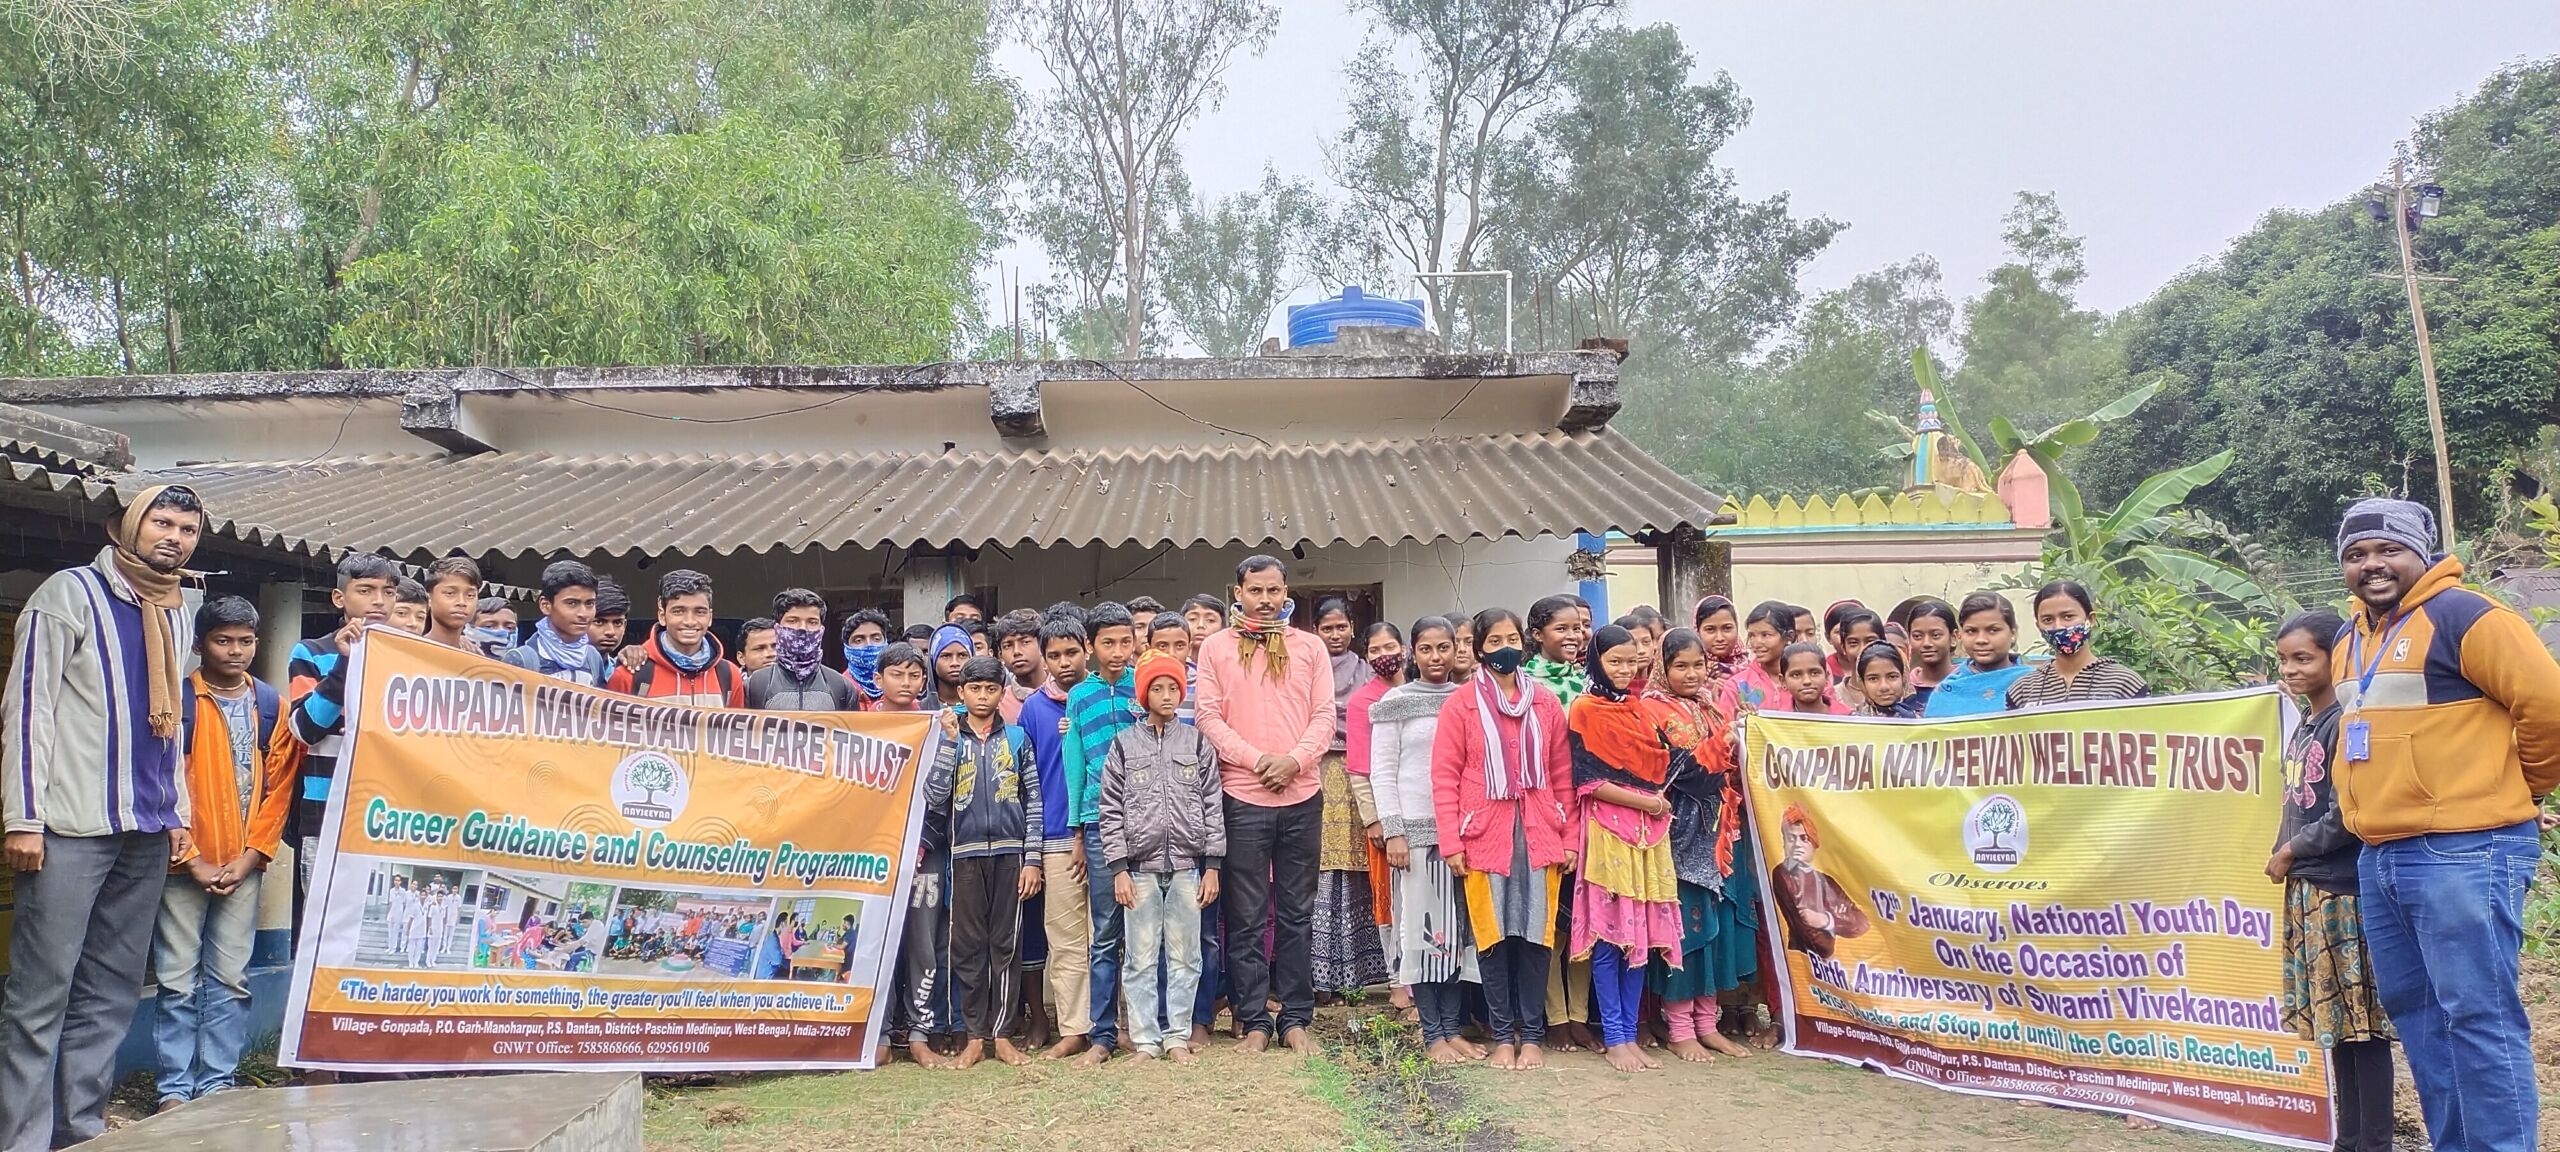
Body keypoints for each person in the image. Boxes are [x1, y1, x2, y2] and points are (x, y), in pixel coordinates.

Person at [2330, 498, 2558, 1152]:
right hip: (2383, 857)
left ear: (2421, 553)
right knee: (2423, 1021)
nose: (2372, 564)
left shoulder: (2467, 616)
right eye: (2356, 554)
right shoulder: (2352, 638)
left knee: (2479, 1017)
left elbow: (2549, 708)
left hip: (2464, 850)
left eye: (2387, 550)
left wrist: (2522, 787)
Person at [1, 486, 204, 1151]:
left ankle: (80, 1133)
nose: (173, 536)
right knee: (40, 997)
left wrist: (176, 809)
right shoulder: (68, 595)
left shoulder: (176, 609)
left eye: (187, 527)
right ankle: (23, 1140)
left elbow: (171, 724)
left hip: (145, 832)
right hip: (68, 827)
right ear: (125, 527)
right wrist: (23, 818)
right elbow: (29, 713)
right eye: (161, 522)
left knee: (112, 994)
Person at [152, 597, 299, 1112]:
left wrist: (254, 854)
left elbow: (280, 788)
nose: (235, 651)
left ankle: (215, 1083)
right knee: (175, 979)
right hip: (181, 865)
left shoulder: (270, 705)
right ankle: (174, 1087)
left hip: (243, 867)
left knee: (230, 978)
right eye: (223, 640)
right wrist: (192, 858)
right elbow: (160, 781)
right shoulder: (176, 701)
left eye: (245, 641)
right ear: (199, 644)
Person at [2266, 609, 2395, 1152]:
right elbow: (2297, 801)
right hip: (2311, 887)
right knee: (2335, 1028)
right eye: (2284, 660)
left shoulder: (2347, 720)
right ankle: (2350, 1140)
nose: (2292, 669)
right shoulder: (2306, 725)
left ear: (2333, 657)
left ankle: (2375, 1141)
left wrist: (2293, 849)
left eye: (2304, 658)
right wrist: (2284, 846)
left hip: (2344, 891)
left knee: (2362, 1029)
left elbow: (2349, 810)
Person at [1195, 556, 1334, 1055]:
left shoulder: (1310, 647)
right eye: (1256, 591)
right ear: (1238, 592)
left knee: (1298, 913)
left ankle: (1296, 1017)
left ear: (1285, 590)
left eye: (1275, 590)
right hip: (1243, 795)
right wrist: (1259, 761)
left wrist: (1294, 761)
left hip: (1302, 793)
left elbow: (1324, 715)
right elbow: (1208, 717)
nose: (1267, 600)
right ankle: (1253, 1019)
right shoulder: (1215, 648)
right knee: (1247, 915)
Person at [1431, 608, 1575, 1071]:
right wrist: (1451, 842)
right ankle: (1502, 1037)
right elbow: (1444, 776)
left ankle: (1531, 1036)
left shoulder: (1546, 702)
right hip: (1483, 836)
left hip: (1539, 833)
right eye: (1494, 641)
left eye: (1512, 638)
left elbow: (1562, 776)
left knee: (1535, 937)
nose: (1505, 648)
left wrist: (1570, 837)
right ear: (1478, 650)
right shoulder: (1462, 704)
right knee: (1492, 940)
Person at [1566, 626, 1684, 1074]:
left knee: (1641, 935)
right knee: (1609, 935)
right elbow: (1589, 781)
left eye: (1631, 661)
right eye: (1614, 661)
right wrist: (1649, 802)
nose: (1623, 670)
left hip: (1649, 838)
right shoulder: (1584, 710)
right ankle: (1615, 1037)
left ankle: (1630, 1034)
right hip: (1608, 834)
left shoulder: (1642, 711)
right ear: (1597, 661)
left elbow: (1663, 765)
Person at [1099, 653, 1223, 1063]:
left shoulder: (1196, 742)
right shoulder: (1123, 745)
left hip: (1188, 868)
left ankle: (1177, 1036)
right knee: (1140, 957)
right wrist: (1118, 868)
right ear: (1144, 694)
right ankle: (1146, 1040)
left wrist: (1212, 866)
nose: (1167, 696)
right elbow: (1110, 810)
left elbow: (1212, 806)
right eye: (1157, 688)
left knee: (1187, 955)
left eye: (1173, 688)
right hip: (1139, 870)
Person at [922, 657, 1042, 1069]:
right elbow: (934, 798)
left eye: (991, 689)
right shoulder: (948, 737)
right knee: (969, 948)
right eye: (975, 689)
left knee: (1005, 946)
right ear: (961, 692)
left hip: (1011, 854)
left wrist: (1033, 859)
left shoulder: (1018, 738)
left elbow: (1034, 802)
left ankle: (1003, 1035)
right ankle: (975, 1036)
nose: (983, 696)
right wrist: (952, 743)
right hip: (964, 856)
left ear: (1002, 692)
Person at [1369, 617, 1479, 1064]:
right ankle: (1432, 1032)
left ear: (1458, 650)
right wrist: (1393, 830)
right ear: (1414, 653)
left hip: (1463, 833)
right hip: (1414, 836)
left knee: (1456, 934)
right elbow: (1382, 771)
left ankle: (1453, 1028)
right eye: (1427, 649)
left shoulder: (1470, 699)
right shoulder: (1397, 702)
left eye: (1444, 648)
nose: (1436, 657)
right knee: (1422, 934)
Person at [1643, 630, 1755, 1063]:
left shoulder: (1711, 705)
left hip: (1720, 833)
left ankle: (1707, 1024)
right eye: (1681, 666)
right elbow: (1671, 772)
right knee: (1685, 931)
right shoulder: (1651, 710)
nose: (1691, 674)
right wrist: (1721, 743)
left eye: (1698, 665)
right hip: (1679, 834)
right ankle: (1680, 1028)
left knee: (1716, 931)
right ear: (1663, 668)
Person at [287, 551, 400, 933]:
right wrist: (346, 664)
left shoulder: (411, 659)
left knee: (377, 936)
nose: (379, 602)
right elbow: (305, 728)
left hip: (392, 819)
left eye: (388, 591)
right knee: (325, 934)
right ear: (340, 598)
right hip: (327, 817)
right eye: (366, 590)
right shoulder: (312, 653)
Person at [1057, 602, 1139, 1064]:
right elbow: (1075, 767)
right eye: (1107, 643)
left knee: (1146, 930)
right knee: (1105, 932)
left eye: (1125, 641)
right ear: (1091, 647)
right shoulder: (1079, 697)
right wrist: (1077, 833)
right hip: (1096, 824)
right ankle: (1103, 1034)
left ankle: (1142, 1028)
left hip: (1147, 823)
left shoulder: (1141, 688)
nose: (1117, 651)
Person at [1022, 619, 1095, 1060]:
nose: (1064, 663)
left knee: (1108, 937)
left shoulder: (1112, 697)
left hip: (1108, 834)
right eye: (1055, 656)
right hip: (1054, 836)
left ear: (1087, 649)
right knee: (1066, 939)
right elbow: (1030, 783)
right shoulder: (1033, 708)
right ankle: (1073, 1028)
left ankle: (1111, 1025)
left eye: (1072, 653)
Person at [1310, 601, 1387, 1001]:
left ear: (1352, 628)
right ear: (1316, 630)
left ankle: (1359, 974)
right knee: (1324, 875)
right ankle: (1322, 977)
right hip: (1318, 772)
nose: (1335, 635)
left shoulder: (1367, 671)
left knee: (1359, 872)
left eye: (1341, 627)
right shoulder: (1308, 668)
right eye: (1327, 628)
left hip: (1361, 773)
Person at [1344, 621, 1403, 1009]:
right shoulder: (1363, 701)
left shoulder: (1423, 691)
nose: (1385, 656)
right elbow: (1359, 767)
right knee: (1390, 901)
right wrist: (1373, 818)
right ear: (1366, 659)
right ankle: (1399, 982)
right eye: (1375, 651)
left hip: (1427, 813)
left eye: (1391, 647)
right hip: (1383, 813)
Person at [607, 570, 744, 708]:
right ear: (662, 615)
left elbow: (737, 729)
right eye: (678, 611)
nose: (690, 621)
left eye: (700, 612)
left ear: (710, 617)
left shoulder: (730, 675)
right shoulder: (630, 674)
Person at [2006, 580, 2147, 709]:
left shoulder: (2126, 684)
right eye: (2048, 620)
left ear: (2090, 619)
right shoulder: (2022, 691)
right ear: (2038, 626)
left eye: (2068, 617)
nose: (2058, 626)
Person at [1769, 806, 1868, 957]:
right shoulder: (1783, 875)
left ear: (1814, 843)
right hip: (1802, 959)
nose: (1797, 845)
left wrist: (1825, 919)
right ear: (1784, 843)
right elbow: (1815, 939)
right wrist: (1839, 915)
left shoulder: (1826, 881)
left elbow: (1861, 923)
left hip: (1829, 966)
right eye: (1791, 838)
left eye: (1804, 838)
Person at [499, 561, 610, 686]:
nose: (583, 614)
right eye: (572, 603)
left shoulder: (593, 658)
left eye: (589, 603)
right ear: (545, 605)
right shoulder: (520, 660)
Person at [1922, 593, 2031, 718]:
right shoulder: (1946, 693)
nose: (1981, 640)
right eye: (1971, 631)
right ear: (1960, 635)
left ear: (2013, 633)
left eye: (1993, 630)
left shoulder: (2035, 684)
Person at [747, 590, 856, 711]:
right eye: (792, 621)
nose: (803, 628)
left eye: (812, 622)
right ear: (777, 628)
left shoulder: (841, 686)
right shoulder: (754, 685)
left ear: (821, 629)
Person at [1898, 598, 1959, 711]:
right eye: (1917, 636)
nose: (1926, 643)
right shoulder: (1902, 688)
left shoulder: (1967, 681)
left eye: (1935, 635)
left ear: (1953, 637)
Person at [991, 609, 1046, 725]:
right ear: (1000, 656)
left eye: (1025, 642)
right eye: (1007, 646)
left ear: (1042, 646)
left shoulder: (1063, 694)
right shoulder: (998, 703)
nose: (1016, 652)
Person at [420, 557, 485, 653]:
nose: (462, 602)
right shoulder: (412, 652)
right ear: (429, 598)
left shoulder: (476, 657)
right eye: (450, 593)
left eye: (470, 595)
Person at [1849, 645, 1923, 718]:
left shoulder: (1924, 720)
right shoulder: (1854, 722)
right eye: (1873, 679)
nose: (1884, 687)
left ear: (1903, 678)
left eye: (1892, 677)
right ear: (1862, 682)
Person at [1773, 643, 1845, 715]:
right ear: (1783, 681)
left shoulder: (1847, 718)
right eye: (1796, 675)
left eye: (1815, 673)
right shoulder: (1776, 721)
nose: (1807, 681)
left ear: (1826, 677)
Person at [841, 609, 892, 708]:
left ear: (886, 642)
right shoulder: (837, 689)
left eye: (876, 639)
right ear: (847, 648)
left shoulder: (900, 687)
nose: (869, 645)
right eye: (859, 640)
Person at [873, 643, 929, 713]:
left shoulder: (932, 720)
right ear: (878, 680)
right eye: (896, 675)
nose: (906, 683)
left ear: (922, 682)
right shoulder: (863, 721)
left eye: (914, 676)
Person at [1819, 600, 1867, 681]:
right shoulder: (1822, 670)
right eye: (1839, 632)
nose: (1847, 638)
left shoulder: (1883, 665)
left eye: (1854, 631)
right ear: (1828, 638)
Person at [928, 625, 974, 708]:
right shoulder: (920, 710)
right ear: (933, 661)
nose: (955, 663)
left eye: (962, 655)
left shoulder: (986, 708)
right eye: (946, 656)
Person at [589, 579, 632, 659]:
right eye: (599, 622)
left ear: (625, 625)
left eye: (618, 623)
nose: (610, 632)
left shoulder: (625, 669)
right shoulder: (562, 668)